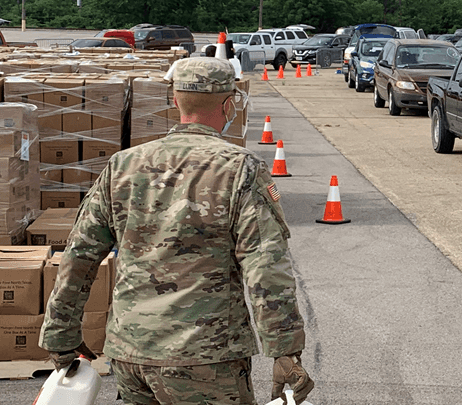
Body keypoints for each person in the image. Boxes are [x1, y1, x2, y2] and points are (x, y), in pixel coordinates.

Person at [40, 57, 313, 405]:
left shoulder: (123, 165)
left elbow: (80, 254)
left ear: (175, 100)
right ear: (228, 105)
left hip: (132, 352)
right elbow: (266, 266)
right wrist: (285, 350)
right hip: (206, 357)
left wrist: (60, 333)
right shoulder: (240, 169)